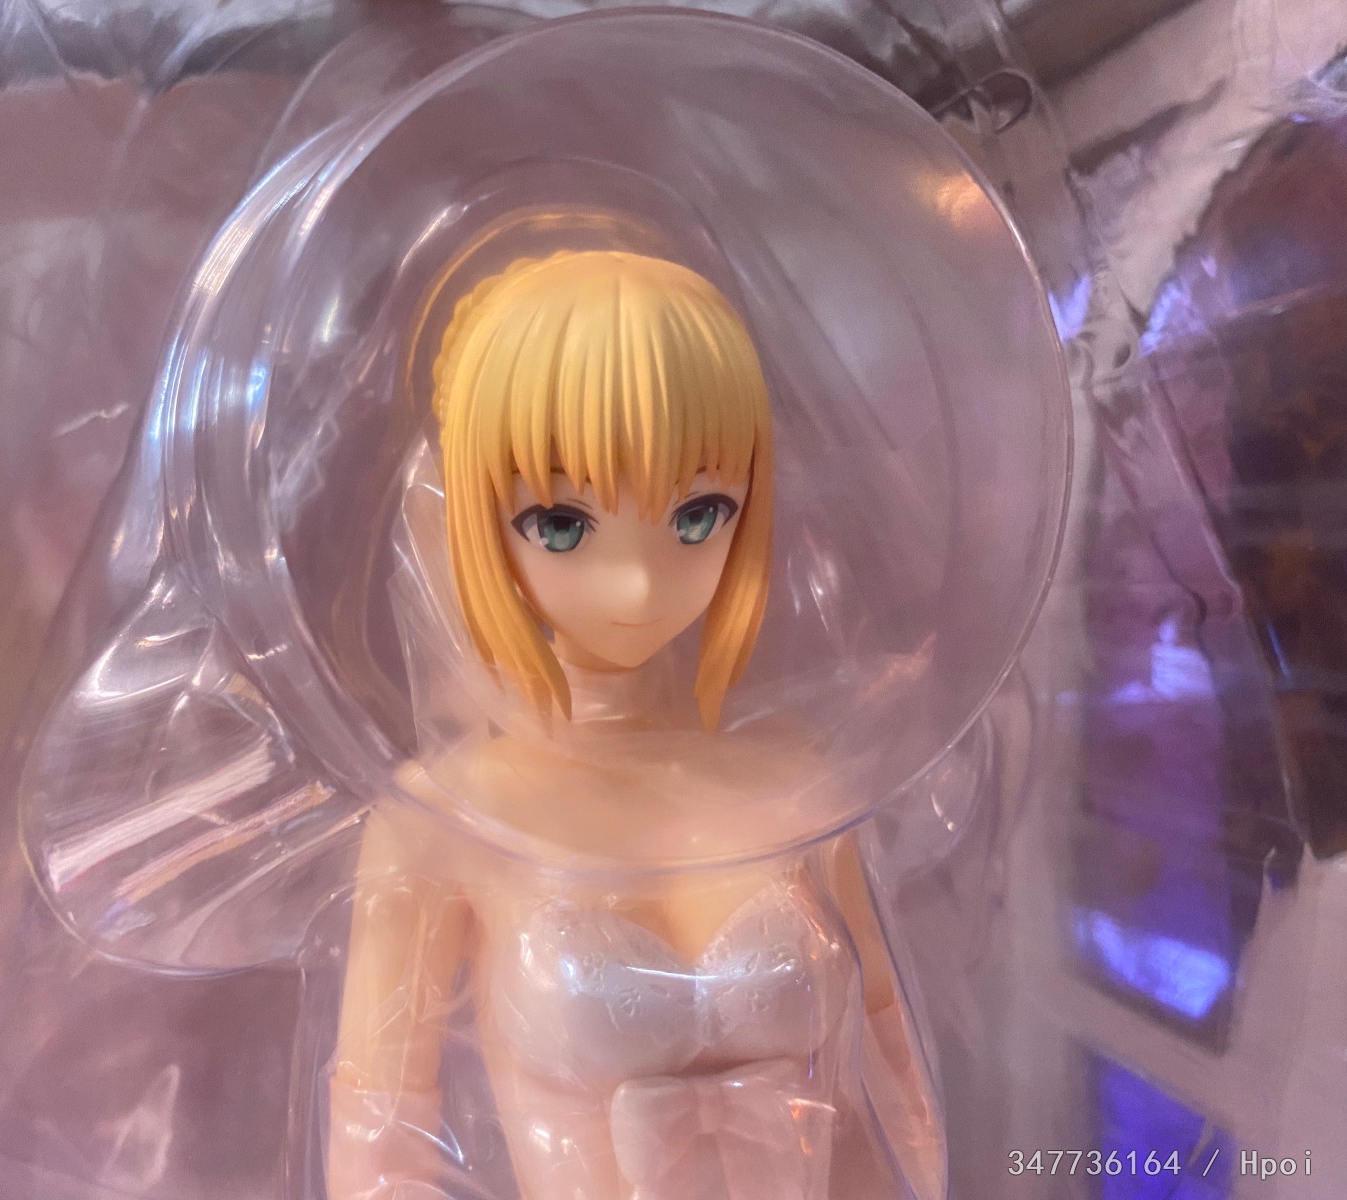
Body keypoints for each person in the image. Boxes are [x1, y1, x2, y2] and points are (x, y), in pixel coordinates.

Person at [327, 249, 945, 1200]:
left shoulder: (797, 782)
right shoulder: (446, 817)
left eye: (698, 515)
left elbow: (890, 1072)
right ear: (474, 519)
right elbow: (381, 1138)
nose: (639, 584)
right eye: (562, 525)